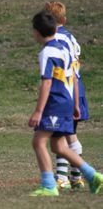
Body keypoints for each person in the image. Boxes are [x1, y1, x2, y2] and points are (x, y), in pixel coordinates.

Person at [28, 11, 102, 196]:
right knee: (58, 146)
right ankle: (92, 175)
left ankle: (49, 186)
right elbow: (74, 78)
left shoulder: (47, 52)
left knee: (39, 141)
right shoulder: (64, 47)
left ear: (37, 32)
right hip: (68, 101)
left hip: (56, 102)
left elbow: (46, 82)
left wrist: (38, 111)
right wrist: (76, 104)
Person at [44, 1, 88, 190]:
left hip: (64, 89)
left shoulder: (56, 39)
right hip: (76, 87)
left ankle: (62, 178)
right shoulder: (71, 38)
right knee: (70, 134)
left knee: (60, 137)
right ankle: (76, 178)